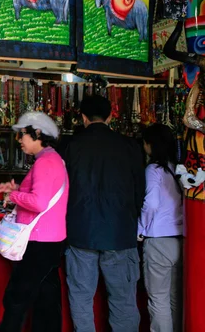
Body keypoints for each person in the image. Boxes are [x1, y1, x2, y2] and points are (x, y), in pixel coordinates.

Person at [64, 95, 145, 332]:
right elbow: (140, 190)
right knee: (123, 300)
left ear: (83, 117)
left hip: (81, 232)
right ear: (111, 116)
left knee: (81, 298)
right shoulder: (130, 146)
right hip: (120, 232)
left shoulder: (71, 146)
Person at [0, 112, 69, 332]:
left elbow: (39, 202)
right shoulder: (52, 159)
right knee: (46, 299)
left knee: (17, 298)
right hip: (50, 239)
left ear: (37, 133)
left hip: (39, 241)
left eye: (22, 135)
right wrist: (17, 189)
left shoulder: (45, 162)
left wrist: (13, 197)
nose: (19, 141)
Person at [139, 124, 183, 332]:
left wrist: (141, 228)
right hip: (180, 239)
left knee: (158, 300)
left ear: (150, 145)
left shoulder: (153, 170)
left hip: (158, 240)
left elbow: (151, 203)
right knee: (175, 298)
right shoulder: (177, 169)